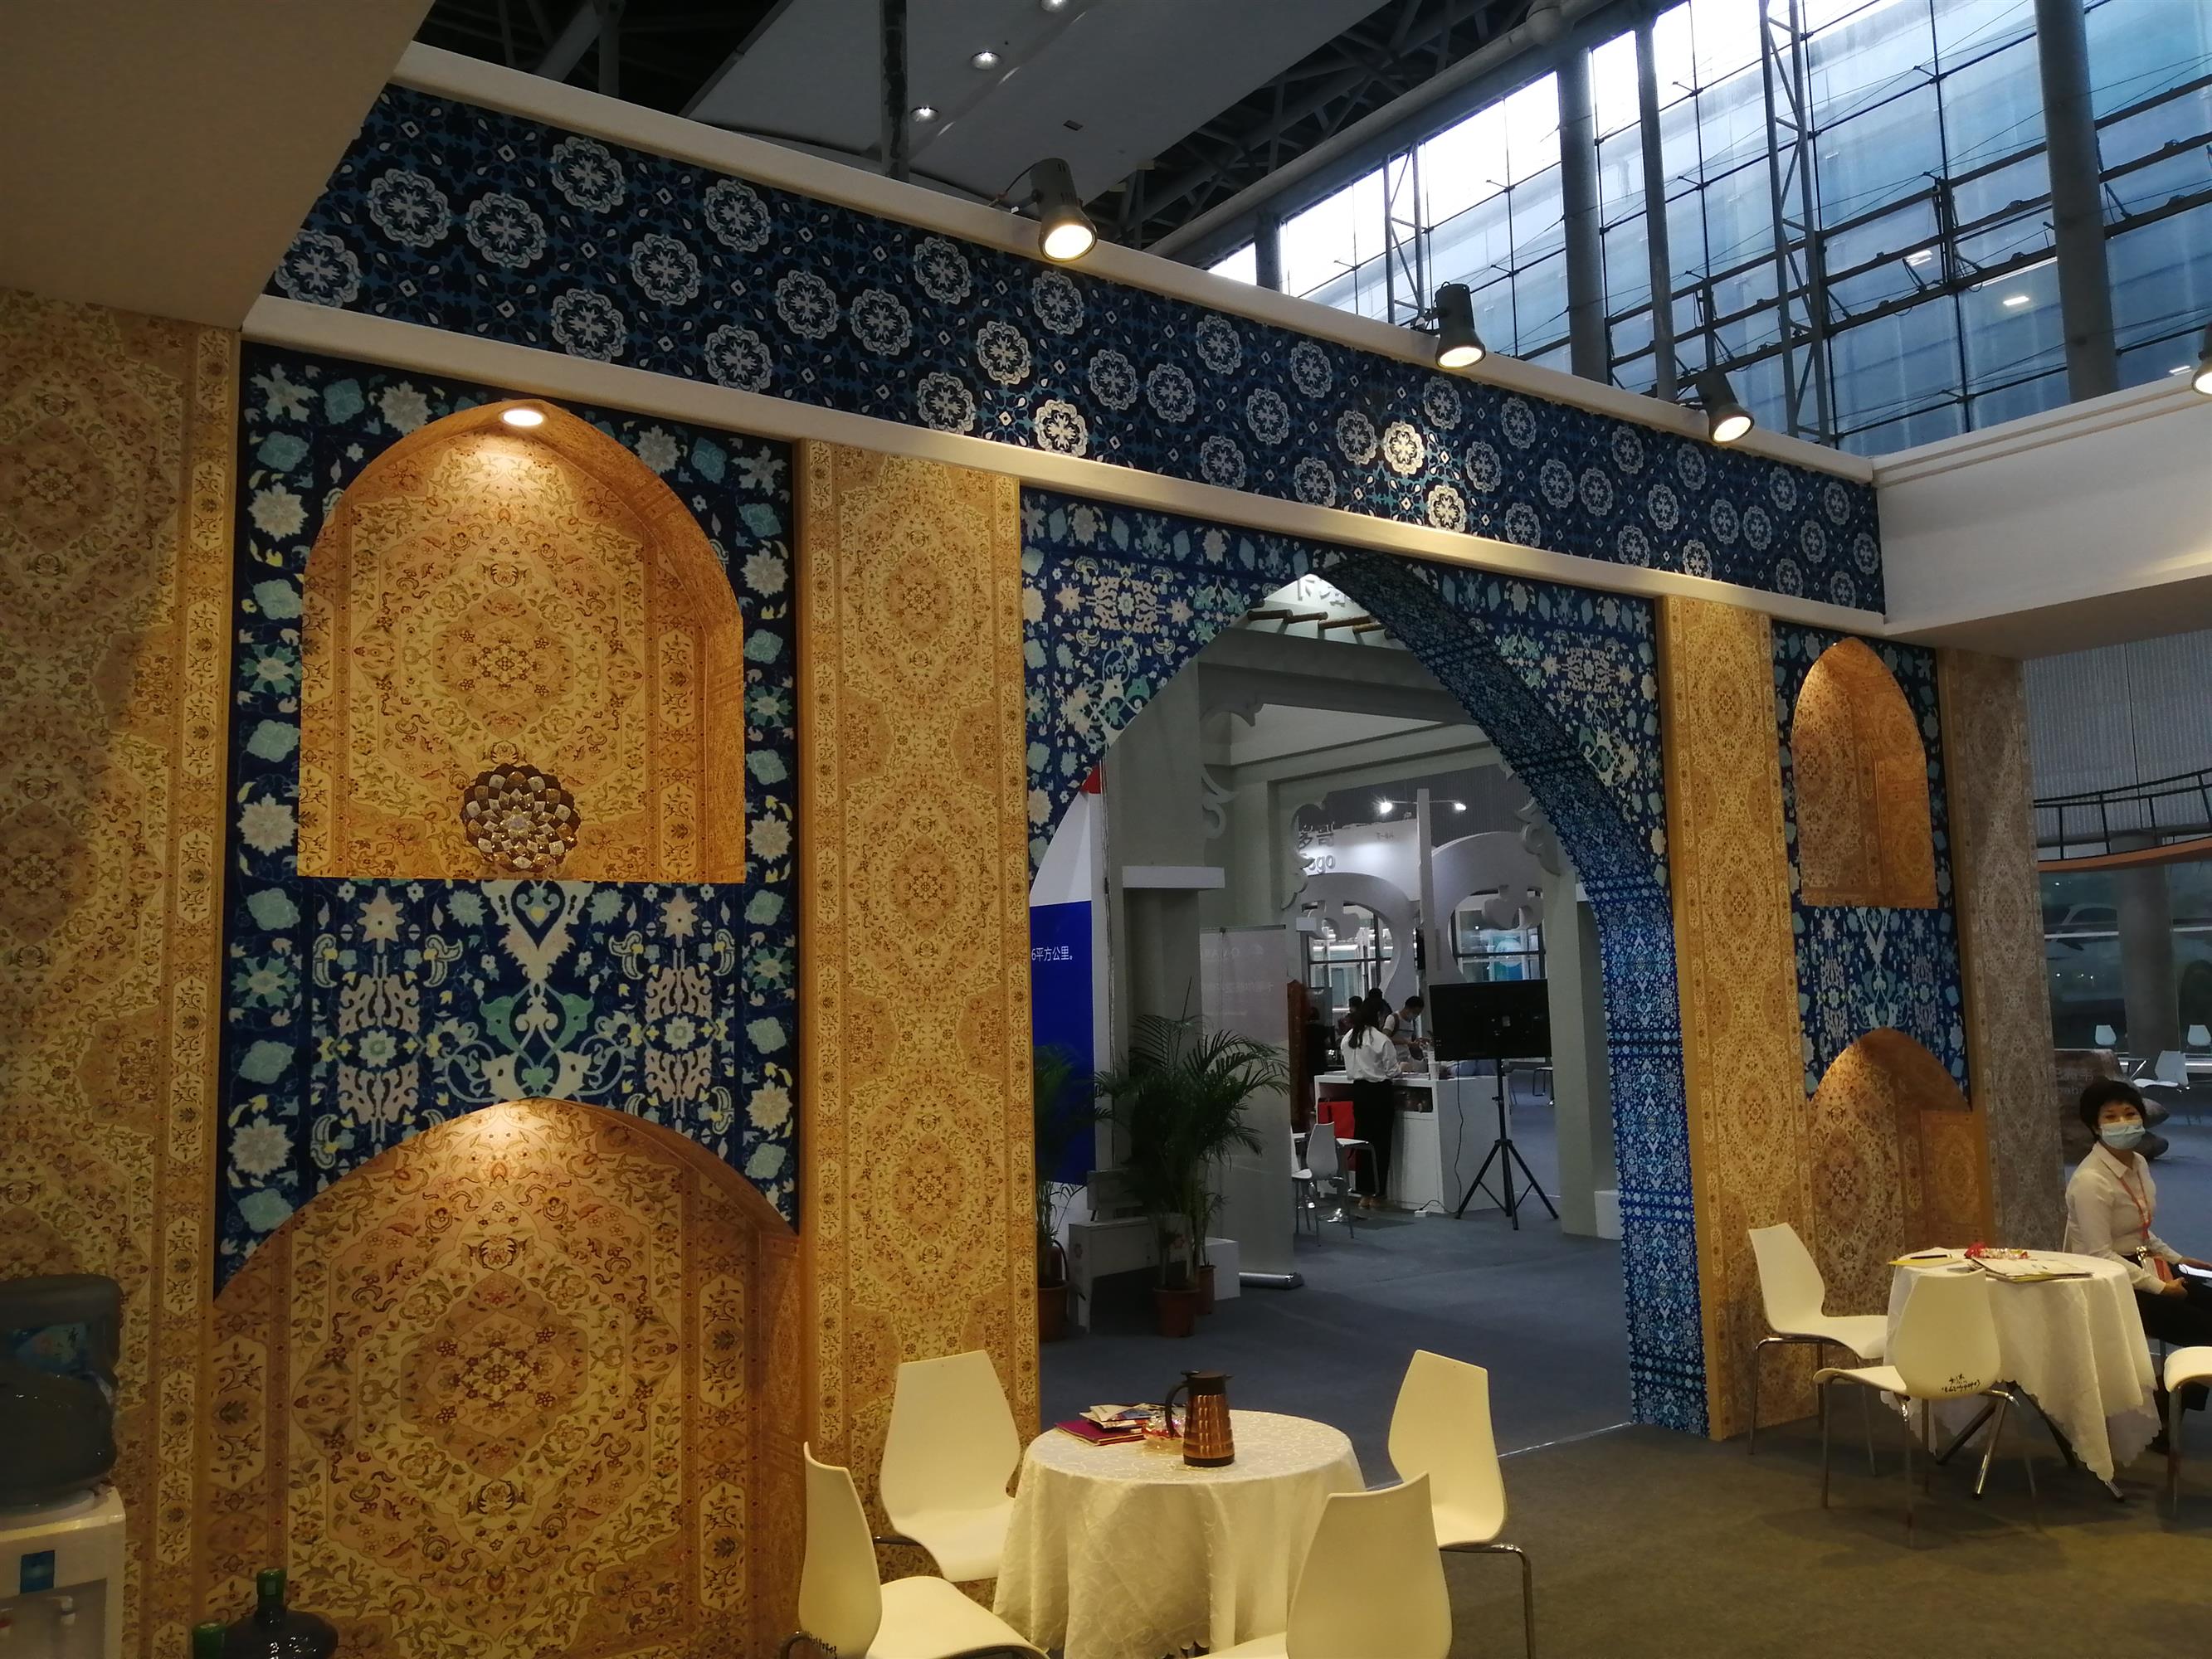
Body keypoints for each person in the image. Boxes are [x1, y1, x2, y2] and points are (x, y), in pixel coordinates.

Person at [2063, 1078, 2212, 1405]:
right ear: (2095, 1127)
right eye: (2111, 1117)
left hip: (2143, 1265)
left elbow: (2140, 1231)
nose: (2123, 1122)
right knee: (2206, 1331)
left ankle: (2169, 1397)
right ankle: (2166, 1406)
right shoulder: (2090, 1181)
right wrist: (2161, 1288)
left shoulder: (2139, 1163)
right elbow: (2101, 1254)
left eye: (2130, 1114)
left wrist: (2177, 1259)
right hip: (2108, 1281)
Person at [1341, 995, 1398, 1210]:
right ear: (1379, 1016)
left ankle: (1364, 1193)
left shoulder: (1349, 1038)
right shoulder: (1381, 1040)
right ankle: (1378, 1195)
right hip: (1379, 1093)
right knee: (1381, 1144)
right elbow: (1392, 1071)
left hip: (1358, 1092)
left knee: (1363, 1142)